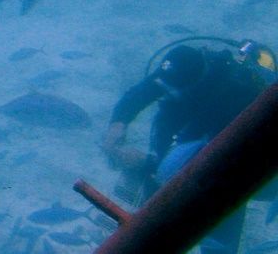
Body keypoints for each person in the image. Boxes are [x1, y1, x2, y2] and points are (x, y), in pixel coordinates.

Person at [101, 41, 272, 253]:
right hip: (194, 161)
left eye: (171, 91)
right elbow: (140, 93)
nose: (165, 93)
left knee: (217, 240)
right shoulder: (180, 69)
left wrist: (145, 161)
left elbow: (198, 165)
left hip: (227, 174)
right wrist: (117, 126)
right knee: (154, 226)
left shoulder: (228, 98)